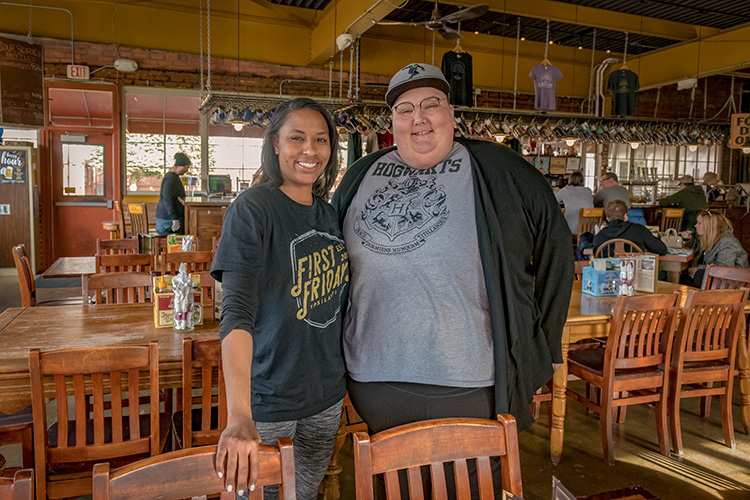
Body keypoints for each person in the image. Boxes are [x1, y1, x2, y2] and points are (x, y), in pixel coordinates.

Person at [332, 63, 573, 494]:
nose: (419, 119)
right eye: (405, 109)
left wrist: (545, 341)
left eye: (431, 105)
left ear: (451, 114)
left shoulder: (498, 168)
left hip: (473, 384)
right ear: (392, 122)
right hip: (376, 381)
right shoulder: (360, 174)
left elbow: (557, 248)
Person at [211, 98, 349, 499]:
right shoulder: (252, 208)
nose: (310, 150)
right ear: (275, 144)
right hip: (269, 398)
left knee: (304, 494)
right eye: (297, 138)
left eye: (321, 140)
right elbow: (236, 313)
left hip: (325, 396)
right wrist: (239, 414)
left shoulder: (329, 214)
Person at [681, 209, 749, 287]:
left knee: (699, 276)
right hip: (719, 279)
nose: (695, 225)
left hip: (732, 283)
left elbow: (723, 270)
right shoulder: (712, 237)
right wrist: (689, 239)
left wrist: (697, 269)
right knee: (684, 278)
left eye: (699, 223)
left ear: (710, 226)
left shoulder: (727, 243)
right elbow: (699, 247)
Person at [593, 200, 668, 256]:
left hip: (607, 272)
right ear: (626, 216)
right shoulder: (639, 230)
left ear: (607, 218)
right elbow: (662, 250)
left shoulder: (599, 236)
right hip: (635, 271)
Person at [155, 152, 191, 234]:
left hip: (169, 217)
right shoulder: (171, 179)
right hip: (167, 219)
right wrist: (174, 219)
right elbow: (167, 199)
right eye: (187, 167)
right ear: (180, 166)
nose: (187, 170)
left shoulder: (173, 177)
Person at [555, 170, 593, 235]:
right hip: (588, 228)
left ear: (570, 179)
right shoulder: (588, 190)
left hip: (571, 228)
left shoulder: (567, 190)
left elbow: (554, 199)